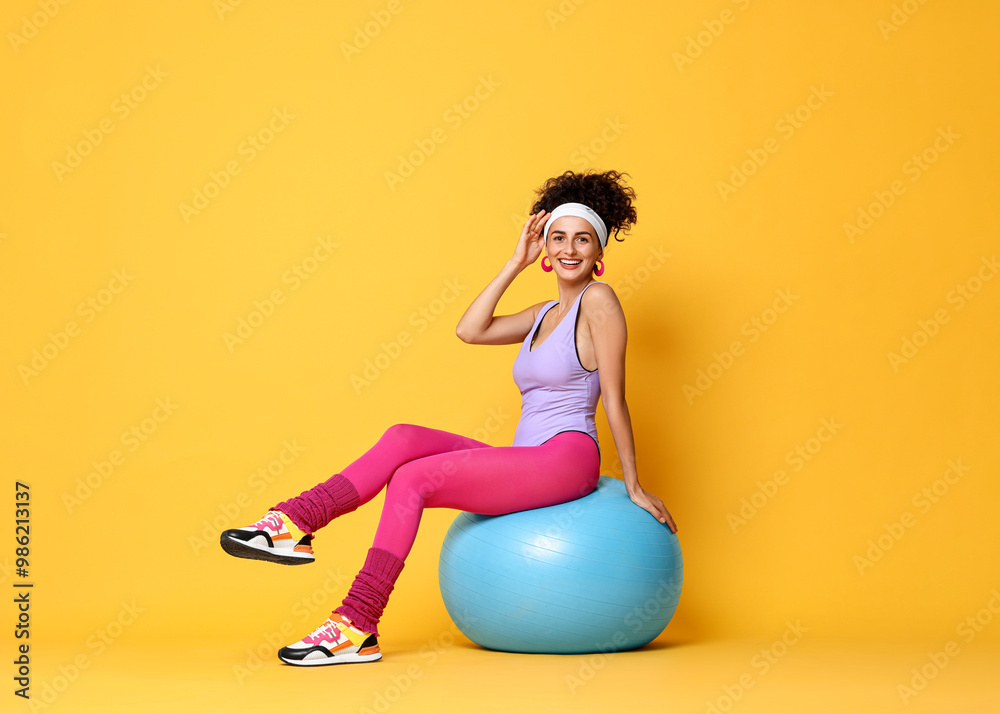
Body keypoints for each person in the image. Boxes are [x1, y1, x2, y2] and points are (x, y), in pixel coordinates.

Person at [219, 169, 677, 666]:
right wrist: (514, 263)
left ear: (599, 252)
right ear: (544, 247)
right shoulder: (542, 313)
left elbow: (615, 399)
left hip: (567, 457)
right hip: (528, 457)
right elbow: (470, 330)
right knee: (402, 438)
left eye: (582, 239)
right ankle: (294, 522)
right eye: (557, 237)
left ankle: (355, 625)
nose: (569, 249)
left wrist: (633, 484)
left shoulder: (599, 302)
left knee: (413, 479)